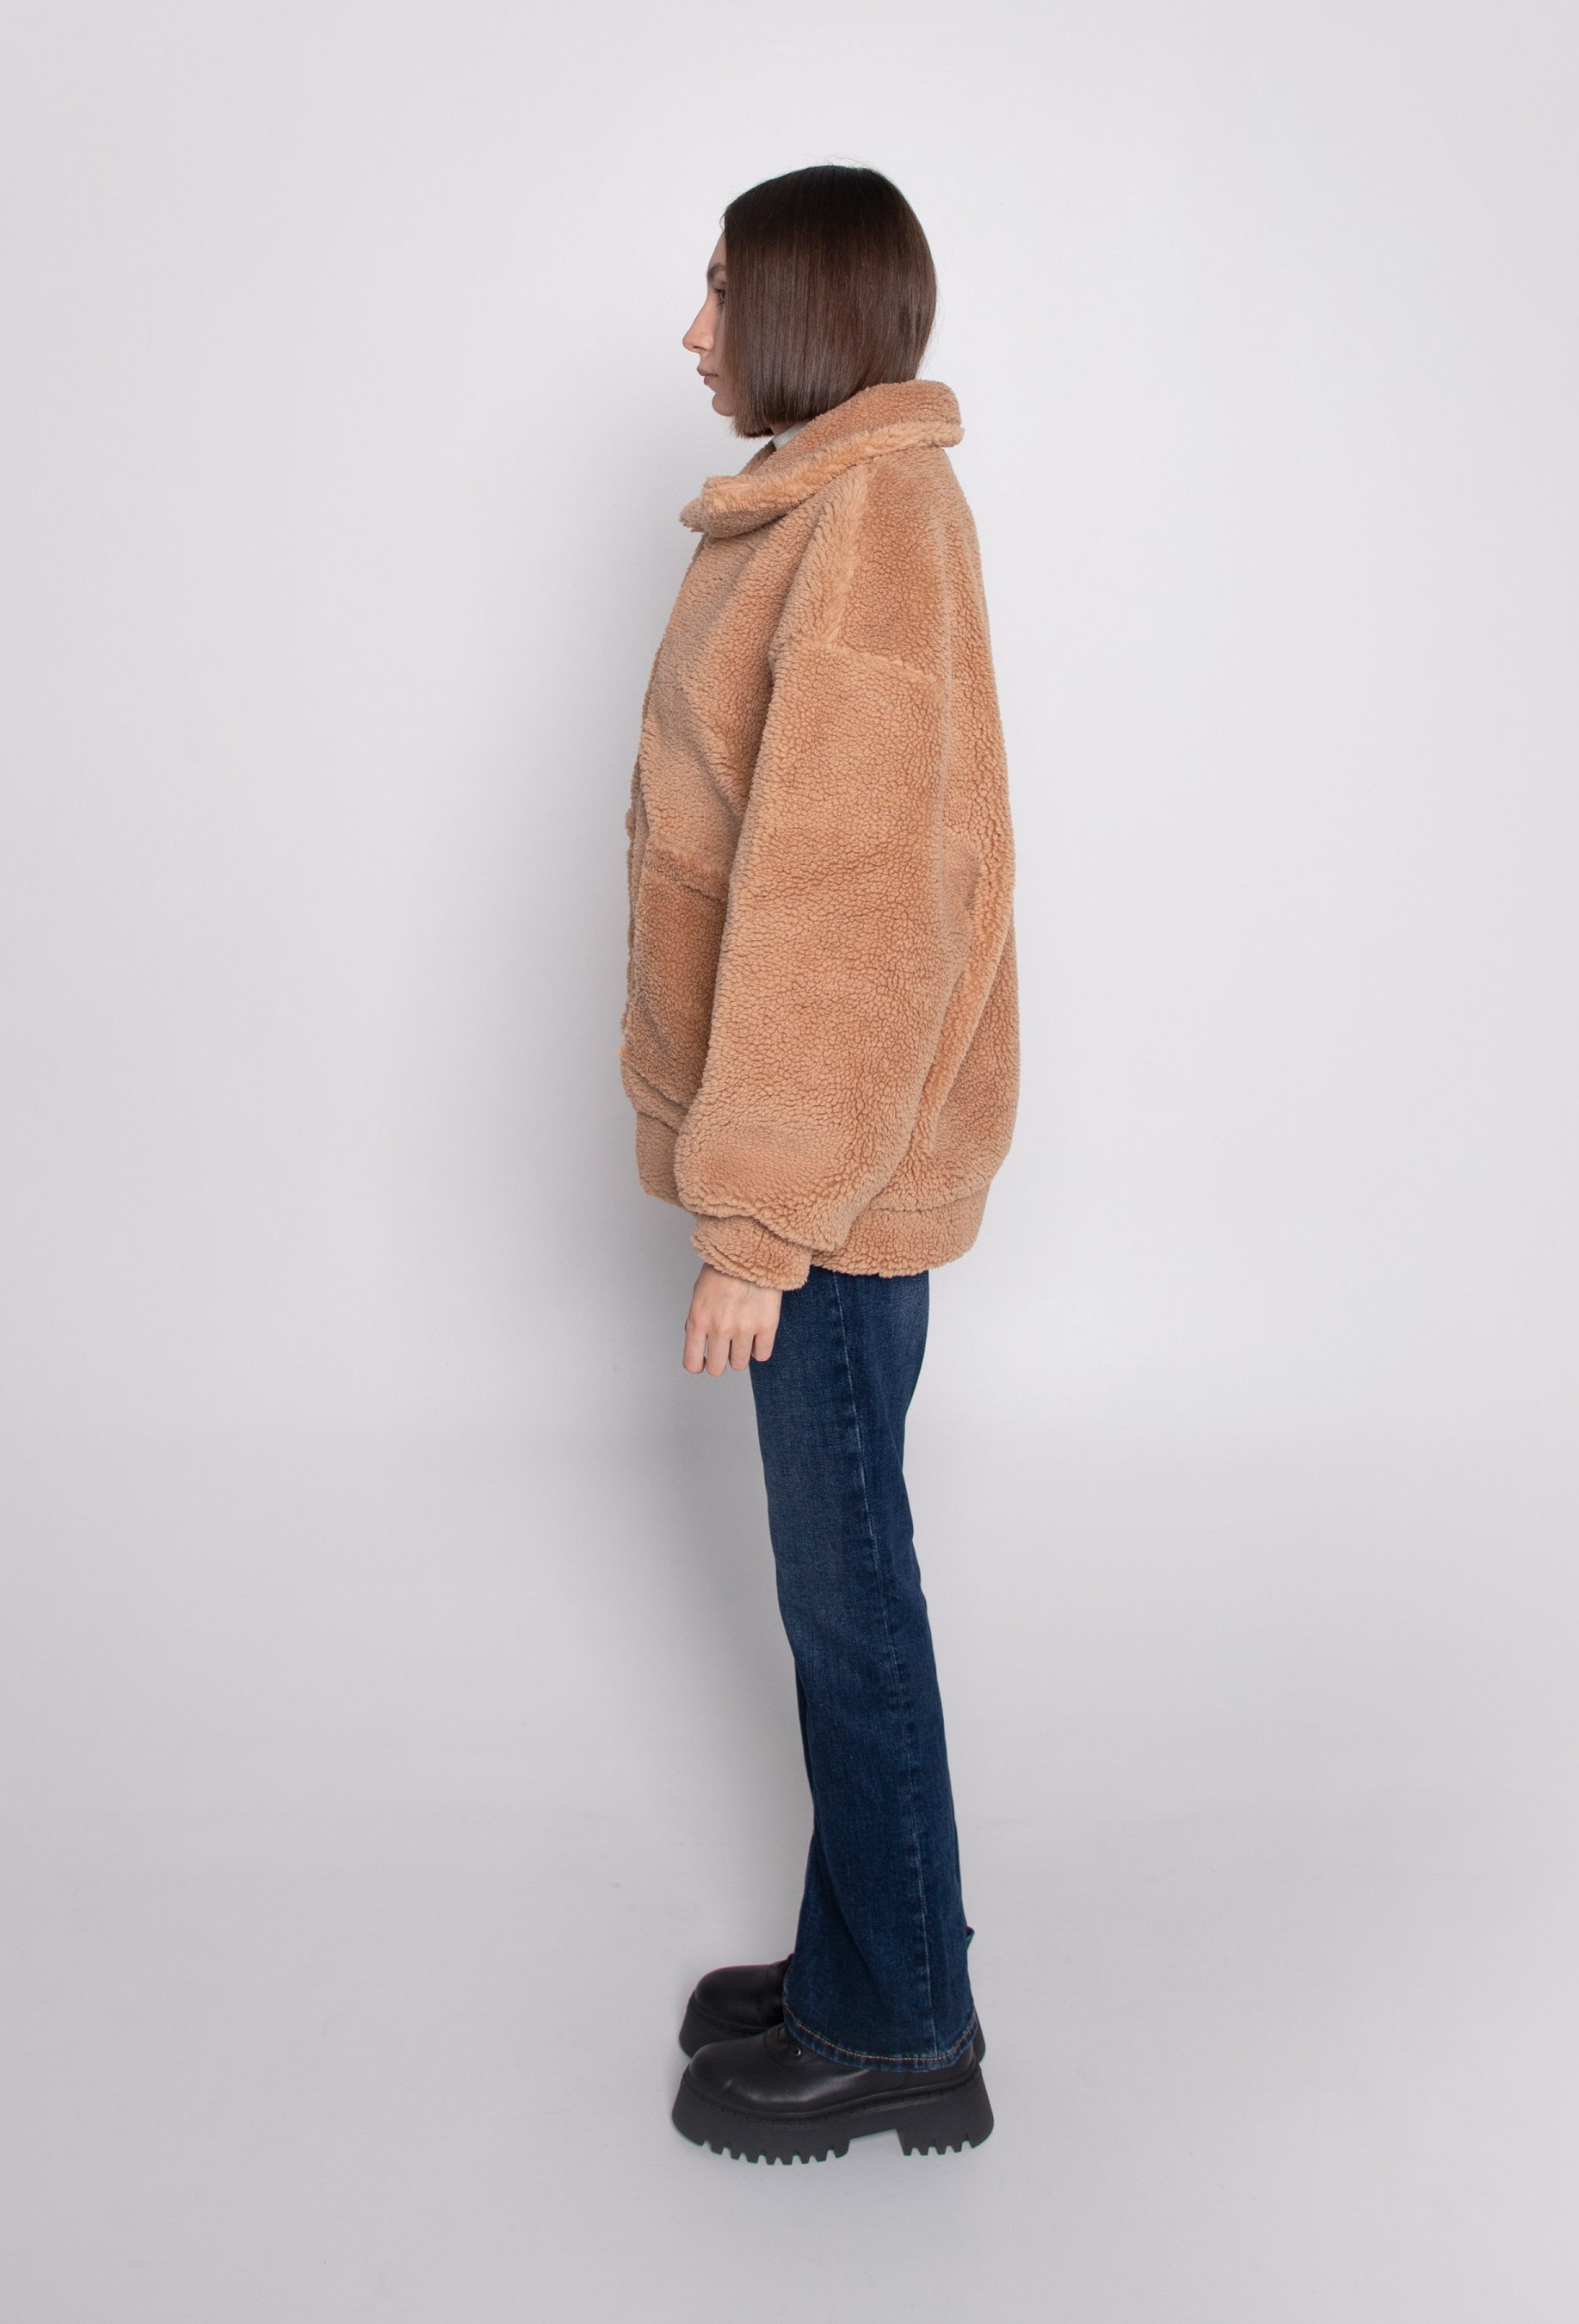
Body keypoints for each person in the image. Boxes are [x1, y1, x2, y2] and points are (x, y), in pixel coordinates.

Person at [620, 164, 1018, 2164]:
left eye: (721, 292)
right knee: (834, 1591)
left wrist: (758, 1221)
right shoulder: (822, 509)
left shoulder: (868, 525)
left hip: (829, 1203)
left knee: (846, 1603)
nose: (693, 332)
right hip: (821, 1188)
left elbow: (848, 908)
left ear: (802, 306)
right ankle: (866, 1951)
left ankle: (901, 2030)